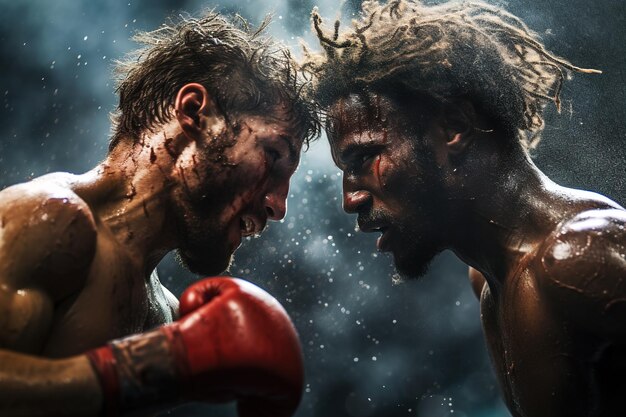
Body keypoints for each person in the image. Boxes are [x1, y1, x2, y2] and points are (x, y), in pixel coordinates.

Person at [306, 1, 625, 416]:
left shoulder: (577, 258)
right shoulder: (492, 282)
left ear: (453, 127)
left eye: (364, 158)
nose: (351, 199)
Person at [0, 11, 319, 417]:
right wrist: (157, 366)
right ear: (194, 112)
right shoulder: (47, 221)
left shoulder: (164, 315)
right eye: (272, 155)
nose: (279, 206)